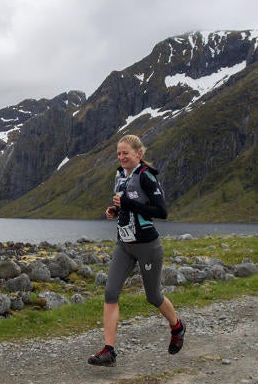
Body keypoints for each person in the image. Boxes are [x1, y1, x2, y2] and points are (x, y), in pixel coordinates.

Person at [88, 134, 185, 367]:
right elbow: (123, 204)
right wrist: (113, 210)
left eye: (126, 153)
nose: (121, 157)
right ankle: (108, 351)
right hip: (124, 244)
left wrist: (129, 205)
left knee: (153, 296)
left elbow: (161, 212)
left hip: (147, 246)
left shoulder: (146, 176)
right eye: (119, 153)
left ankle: (177, 327)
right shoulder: (119, 175)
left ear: (138, 154)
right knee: (111, 294)